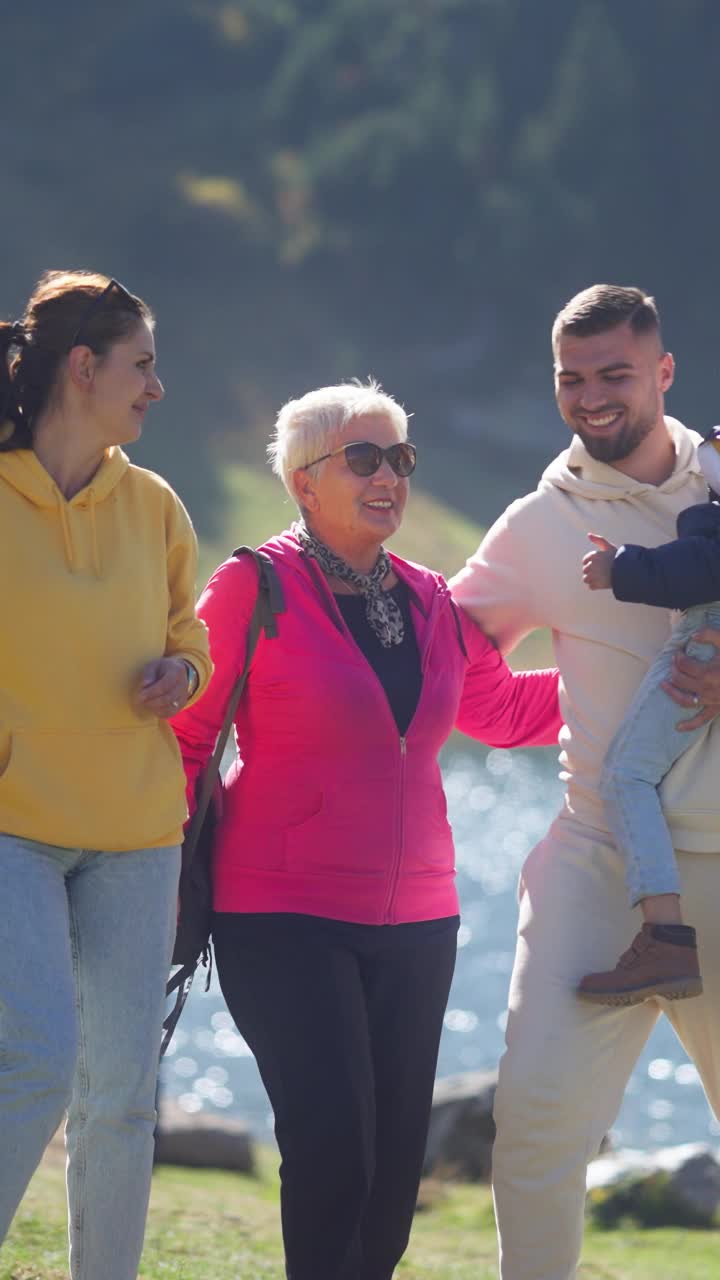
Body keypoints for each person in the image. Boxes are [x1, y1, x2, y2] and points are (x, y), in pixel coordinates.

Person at [171, 379, 561, 1280]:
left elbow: (499, 710)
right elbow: (186, 737)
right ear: (304, 482)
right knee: (334, 1147)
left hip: (421, 922)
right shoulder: (251, 585)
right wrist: (150, 877)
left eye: (401, 459)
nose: (390, 475)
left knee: (389, 1177)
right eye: (365, 458)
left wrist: (634, 689)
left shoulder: (430, 598)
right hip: (281, 914)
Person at [450, 284, 720, 1280]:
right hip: (595, 860)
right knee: (536, 1130)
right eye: (573, 378)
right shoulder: (539, 524)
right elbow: (453, 661)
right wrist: (551, 709)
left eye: (614, 373)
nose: (592, 396)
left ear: (663, 372)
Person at [0, 270, 212, 1280]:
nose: (157, 388)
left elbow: (191, 634)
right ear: (82, 369)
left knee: (124, 1094)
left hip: (137, 832)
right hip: (11, 823)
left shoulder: (155, 503)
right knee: (35, 1058)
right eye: (143, 364)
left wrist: (183, 670)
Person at [577, 428, 720, 1005]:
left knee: (626, 774)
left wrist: (622, 568)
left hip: (703, 638)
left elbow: (700, 566)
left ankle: (665, 934)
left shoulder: (709, 519)